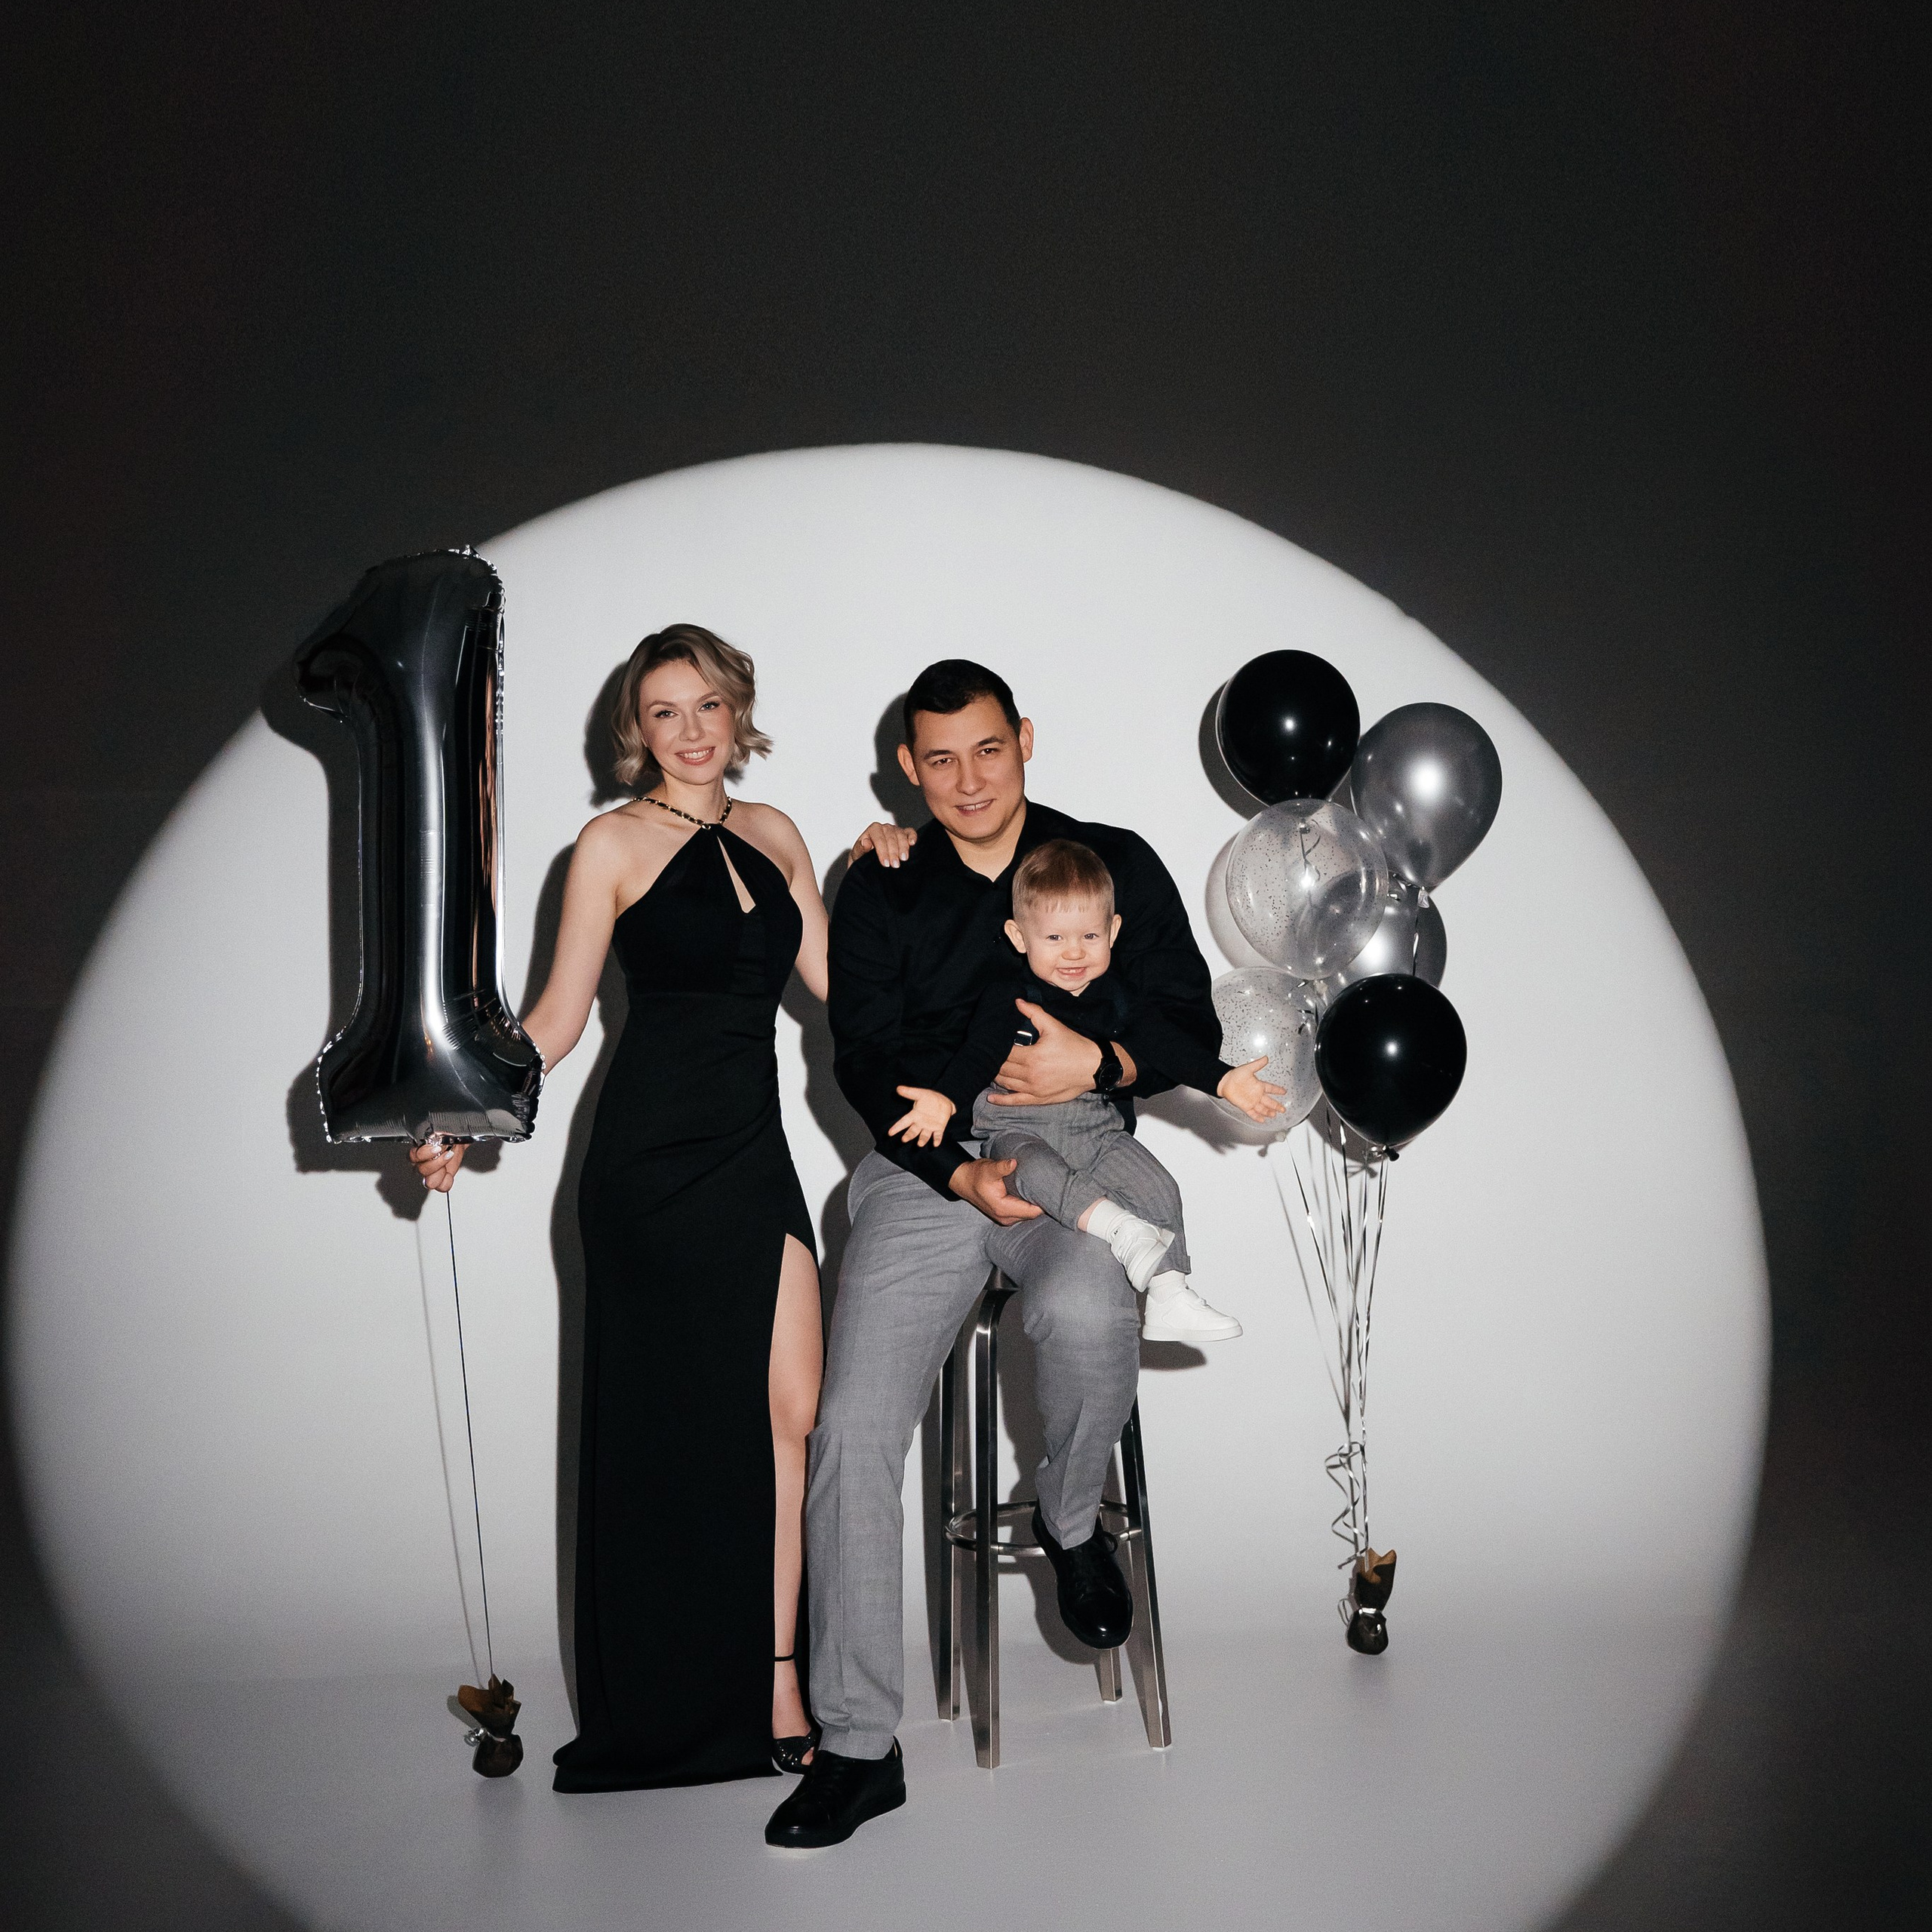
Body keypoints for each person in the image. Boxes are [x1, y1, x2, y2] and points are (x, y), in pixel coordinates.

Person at [764, 660, 1284, 1849]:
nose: (967, 780)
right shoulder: (883, 881)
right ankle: (858, 1747)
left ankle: (1069, 1517)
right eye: (940, 758)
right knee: (850, 1431)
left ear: (1026, 739)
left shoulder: (1112, 862)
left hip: (1077, 1161)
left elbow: (1185, 1021)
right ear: (908, 767)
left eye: (988, 749)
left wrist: (1097, 1063)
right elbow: (861, 1056)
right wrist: (957, 1174)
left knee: (1092, 1313)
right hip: (930, 1174)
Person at [411, 623, 838, 1789]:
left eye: (707, 706)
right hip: (648, 1171)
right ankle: (673, 1700)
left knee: (793, 1410)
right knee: (669, 1438)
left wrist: (907, 879)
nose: (690, 730)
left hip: (752, 1156)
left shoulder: (777, 834)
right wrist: (466, 1115)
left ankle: (779, 1675)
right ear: (636, 732)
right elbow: (554, 1020)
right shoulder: (608, 845)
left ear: (736, 712)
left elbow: (847, 991)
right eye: (664, 713)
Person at [887, 835, 1277, 1342]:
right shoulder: (1009, 995)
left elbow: (1166, 1045)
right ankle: (1121, 1230)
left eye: (1089, 936)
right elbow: (976, 1054)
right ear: (1019, 936)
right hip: (1017, 1130)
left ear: (1113, 931)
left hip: (1096, 1131)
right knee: (1033, 1171)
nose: (1073, 952)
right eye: (1054, 938)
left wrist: (1222, 1080)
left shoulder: (1119, 997)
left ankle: (1169, 1292)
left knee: (1160, 1187)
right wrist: (943, 1100)